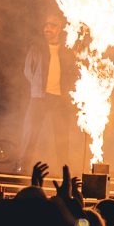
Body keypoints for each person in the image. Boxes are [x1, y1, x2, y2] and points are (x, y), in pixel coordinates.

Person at [20, 17, 80, 173]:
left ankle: (65, 171)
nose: (48, 29)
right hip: (39, 97)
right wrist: (37, 85)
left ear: (59, 29)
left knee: (62, 137)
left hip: (59, 99)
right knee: (30, 133)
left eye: (52, 26)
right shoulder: (37, 48)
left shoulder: (66, 51)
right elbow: (28, 70)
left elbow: (73, 72)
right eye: (46, 26)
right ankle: (22, 167)